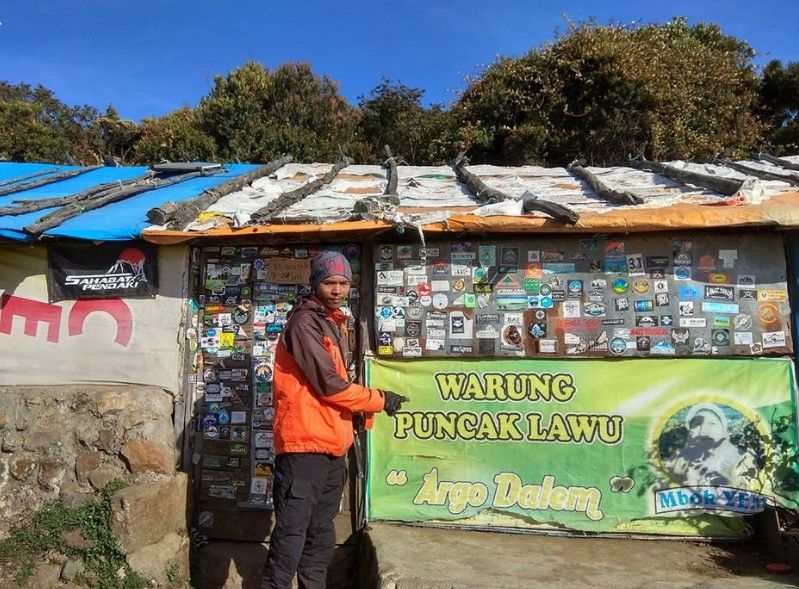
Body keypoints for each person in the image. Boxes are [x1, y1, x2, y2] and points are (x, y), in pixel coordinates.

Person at [262, 251, 407, 589]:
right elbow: (328, 384)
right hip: (304, 446)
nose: (338, 289)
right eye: (330, 282)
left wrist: (362, 409)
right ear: (315, 283)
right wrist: (377, 399)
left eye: (343, 283)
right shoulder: (305, 323)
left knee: (321, 534)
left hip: (331, 446)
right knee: (291, 535)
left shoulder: (332, 322)